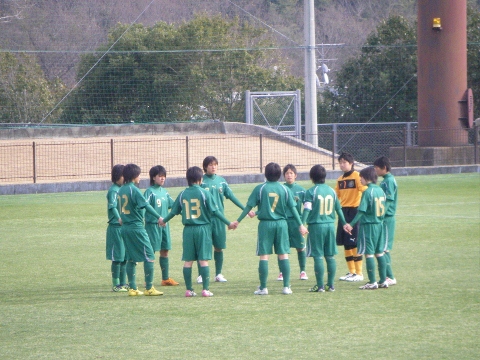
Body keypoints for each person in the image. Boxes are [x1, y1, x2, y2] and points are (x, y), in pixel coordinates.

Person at [159, 166, 238, 298]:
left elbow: (173, 211)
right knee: (203, 260)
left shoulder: (183, 193)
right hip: (203, 229)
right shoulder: (204, 193)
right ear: (200, 179)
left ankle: (189, 290)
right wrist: (228, 223)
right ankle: (205, 289)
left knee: (188, 261)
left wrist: (163, 220)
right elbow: (215, 211)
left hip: (188, 230)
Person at [236, 162, 308, 295]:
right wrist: (301, 225)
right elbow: (293, 209)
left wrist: (238, 221)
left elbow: (249, 207)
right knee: (283, 254)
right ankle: (286, 287)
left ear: (266, 174)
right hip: (281, 224)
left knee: (264, 256)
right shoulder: (284, 189)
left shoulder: (260, 188)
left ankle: (263, 288)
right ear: (280, 175)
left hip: (266, 224)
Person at [197, 156, 254, 284]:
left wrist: (245, 209)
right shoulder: (201, 181)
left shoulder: (222, 182)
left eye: (215, 164)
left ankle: (218, 274)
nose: (213, 167)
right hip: (205, 219)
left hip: (219, 220)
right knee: (203, 247)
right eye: (211, 165)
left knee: (219, 247)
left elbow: (232, 197)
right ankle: (201, 275)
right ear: (205, 167)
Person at [118, 163, 164, 296]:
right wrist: (159, 217)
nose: (140, 177)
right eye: (138, 175)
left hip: (125, 228)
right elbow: (146, 206)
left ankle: (132, 288)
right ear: (134, 176)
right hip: (136, 228)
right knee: (149, 256)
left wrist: (122, 217)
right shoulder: (134, 190)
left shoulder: (121, 190)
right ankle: (149, 288)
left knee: (131, 258)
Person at [302, 165, 347, 292]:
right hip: (330, 225)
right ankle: (331, 285)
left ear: (311, 177)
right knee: (330, 256)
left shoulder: (311, 191)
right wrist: (344, 223)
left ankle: (320, 285)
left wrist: (302, 223)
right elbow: (338, 209)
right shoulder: (332, 191)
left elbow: (307, 209)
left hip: (316, 226)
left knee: (318, 256)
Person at [344, 166, 388, 290]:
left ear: (366, 178)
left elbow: (361, 211)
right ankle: (383, 280)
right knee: (379, 253)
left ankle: (372, 281)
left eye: (361, 178)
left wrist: (350, 224)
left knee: (368, 254)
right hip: (380, 225)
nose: (360, 180)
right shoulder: (380, 191)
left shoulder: (367, 192)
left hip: (369, 226)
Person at [144, 165, 179, 287]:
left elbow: (174, 205)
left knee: (165, 251)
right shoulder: (149, 192)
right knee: (150, 252)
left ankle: (165, 279)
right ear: (153, 177)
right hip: (152, 226)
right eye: (160, 176)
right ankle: (148, 280)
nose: (162, 178)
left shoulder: (164, 192)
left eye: (164, 176)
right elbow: (144, 206)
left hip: (165, 226)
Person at [335, 152, 367, 282]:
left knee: (354, 243)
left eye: (344, 162)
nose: (342, 165)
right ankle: (351, 271)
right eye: (340, 162)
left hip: (354, 211)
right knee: (346, 244)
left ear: (351, 163)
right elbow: (336, 196)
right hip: (343, 212)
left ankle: (359, 273)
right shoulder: (340, 179)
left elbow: (365, 190)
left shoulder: (357, 176)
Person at [277, 164, 308, 282]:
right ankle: (281, 272)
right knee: (282, 248)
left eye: (291, 173)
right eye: (287, 173)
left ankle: (303, 271)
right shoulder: (281, 189)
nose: (289, 175)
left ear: (295, 175)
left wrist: (302, 223)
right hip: (283, 222)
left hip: (296, 222)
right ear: (283, 176)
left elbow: (307, 207)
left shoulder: (301, 190)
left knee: (300, 247)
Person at [374, 156, 398, 286]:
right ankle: (388, 276)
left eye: (377, 168)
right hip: (385, 218)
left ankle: (390, 276)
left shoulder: (388, 181)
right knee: (383, 248)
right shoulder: (385, 180)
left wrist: (381, 214)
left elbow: (389, 200)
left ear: (384, 168)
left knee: (384, 248)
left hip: (387, 218)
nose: (375, 171)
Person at [106, 164, 128, 292]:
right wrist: (119, 218)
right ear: (117, 176)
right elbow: (112, 206)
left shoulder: (123, 189)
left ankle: (123, 283)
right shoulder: (113, 190)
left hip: (124, 227)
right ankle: (116, 284)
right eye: (123, 176)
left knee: (124, 257)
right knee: (117, 257)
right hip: (115, 227)